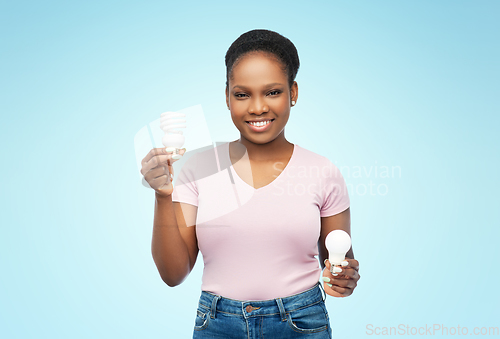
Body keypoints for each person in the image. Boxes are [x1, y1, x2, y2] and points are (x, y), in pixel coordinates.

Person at [140, 29, 360, 338]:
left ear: (293, 92)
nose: (257, 107)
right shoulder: (198, 168)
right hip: (218, 324)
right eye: (242, 94)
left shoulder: (323, 171)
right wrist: (163, 196)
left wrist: (345, 277)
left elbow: (338, 262)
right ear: (227, 96)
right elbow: (173, 274)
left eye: (272, 92)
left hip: (300, 322)